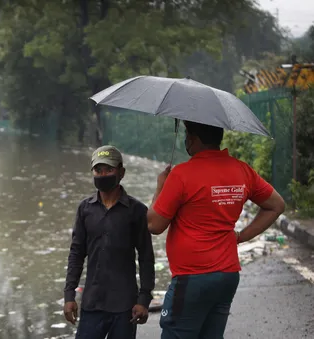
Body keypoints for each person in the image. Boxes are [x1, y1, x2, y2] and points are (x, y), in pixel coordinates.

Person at [147, 121, 286, 339]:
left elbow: (154, 225)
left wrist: (160, 188)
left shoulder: (182, 175)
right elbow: (277, 205)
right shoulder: (241, 170)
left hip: (191, 278)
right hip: (227, 275)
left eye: (187, 134)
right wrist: (240, 237)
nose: (186, 139)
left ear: (194, 138)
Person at [63, 145, 156, 339]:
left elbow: (146, 257)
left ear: (121, 172)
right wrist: (69, 295)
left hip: (125, 307)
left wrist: (144, 299)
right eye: (98, 170)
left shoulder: (136, 211)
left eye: (109, 170)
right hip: (92, 303)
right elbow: (76, 254)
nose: (103, 174)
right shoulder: (85, 209)